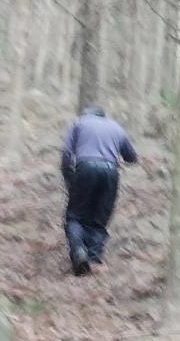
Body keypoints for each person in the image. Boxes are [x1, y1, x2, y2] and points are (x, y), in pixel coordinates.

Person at [59, 105, 139, 276]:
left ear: (87, 114)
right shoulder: (116, 127)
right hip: (110, 173)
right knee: (99, 218)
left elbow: (66, 154)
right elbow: (132, 157)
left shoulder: (79, 123)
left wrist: (69, 178)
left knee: (75, 217)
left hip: (85, 169)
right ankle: (94, 260)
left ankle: (79, 251)